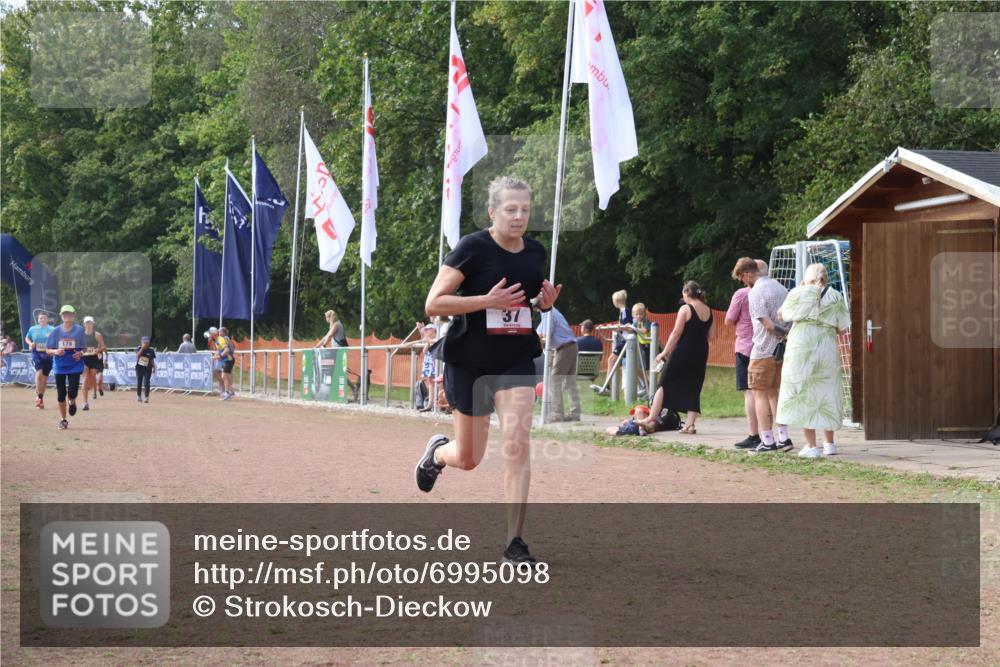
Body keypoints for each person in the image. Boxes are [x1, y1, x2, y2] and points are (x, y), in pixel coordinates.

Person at [414, 175, 561, 566]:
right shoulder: (472, 248)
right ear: (492, 212)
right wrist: (485, 300)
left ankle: (515, 542)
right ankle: (437, 454)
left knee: (517, 444)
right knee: (469, 457)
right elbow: (434, 303)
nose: (518, 217)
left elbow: (524, 302)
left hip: (515, 358)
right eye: (510, 210)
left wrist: (542, 305)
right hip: (471, 361)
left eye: (525, 210)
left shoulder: (535, 252)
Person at [776, 263, 851, 458]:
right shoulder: (835, 295)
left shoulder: (797, 292)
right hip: (826, 346)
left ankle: (811, 445)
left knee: (804, 391)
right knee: (826, 391)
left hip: (801, 346)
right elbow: (843, 327)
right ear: (826, 278)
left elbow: (782, 315)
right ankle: (830, 444)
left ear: (806, 278)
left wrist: (800, 289)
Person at [649, 281, 714, 434]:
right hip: (701, 352)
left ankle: (651, 417)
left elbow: (676, 333)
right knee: (694, 386)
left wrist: (664, 352)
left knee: (664, 382)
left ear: (686, 292)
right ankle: (690, 425)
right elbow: (712, 336)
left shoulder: (685, 308)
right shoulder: (709, 310)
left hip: (683, 351)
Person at [747, 259, 793, 453]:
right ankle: (784, 437)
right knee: (776, 394)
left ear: (752, 272)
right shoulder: (782, 289)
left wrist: (780, 333)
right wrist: (786, 337)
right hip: (782, 351)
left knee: (759, 394)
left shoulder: (755, 292)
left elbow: (767, 325)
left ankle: (767, 440)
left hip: (763, 350)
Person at [726, 257, 760, 449]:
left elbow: (729, 319)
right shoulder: (773, 290)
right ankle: (769, 434)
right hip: (766, 346)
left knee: (749, 392)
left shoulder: (741, 295)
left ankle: (753, 433)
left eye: (741, 277)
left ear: (746, 273)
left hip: (745, 346)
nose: (741, 281)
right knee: (767, 393)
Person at [45, 305, 86, 430]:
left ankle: (72, 402)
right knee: (61, 394)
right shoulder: (56, 331)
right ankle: (63, 420)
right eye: (64, 314)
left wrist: (81, 353)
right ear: (61, 316)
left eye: (69, 314)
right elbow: (47, 350)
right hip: (60, 366)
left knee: (72, 392)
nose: (67, 316)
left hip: (75, 365)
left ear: (73, 316)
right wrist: (56, 351)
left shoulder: (79, 330)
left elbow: (85, 347)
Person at [537, 306, 581, 422]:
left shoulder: (548, 313)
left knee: (554, 381)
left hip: (564, 348)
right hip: (570, 346)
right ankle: (575, 413)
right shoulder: (550, 312)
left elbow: (545, 334)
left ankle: (557, 414)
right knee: (570, 382)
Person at [24, 312, 55, 409]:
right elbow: (27, 338)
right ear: (38, 320)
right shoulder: (33, 329)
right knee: (39, 372)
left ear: (47, 319)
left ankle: (41, 398)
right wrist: (30, 343)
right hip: (36, 353)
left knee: (45, 379)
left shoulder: (52, 329)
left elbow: (57, 340)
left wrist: (54, 348)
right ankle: (38, 397)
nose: (42, 320)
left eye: (44, 318)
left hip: (48, 354)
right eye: (40, 318)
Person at [80, 316, 106, 411]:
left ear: (93, 324)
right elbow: (78, 346)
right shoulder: (81, 335)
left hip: (94, 359)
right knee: (85, 379)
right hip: (84, 359)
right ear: (84, 324)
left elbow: (103, 347)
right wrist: (81, 351)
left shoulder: (97, 335)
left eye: (90, 323)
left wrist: (97, 350)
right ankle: (85, 402)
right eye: (87, 323)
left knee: (91, 381)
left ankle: (93, 390)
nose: (88, 324)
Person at [216, 326, 235, 400]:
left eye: (220, 332)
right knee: (227, 376)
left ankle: (228, 392)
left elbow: (226, 349)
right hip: (228, 359)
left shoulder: (224, 338)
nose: (219, 333)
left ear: (223, 332)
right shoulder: (225, 338)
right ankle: (231, 391)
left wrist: (220, 355)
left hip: (228, 359)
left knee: (224, 376)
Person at [135, 336, 156, 403]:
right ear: (141, 342)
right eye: (144, 342)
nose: (145, 343)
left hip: (148, 368)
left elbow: (152, 360)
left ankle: (146, 397)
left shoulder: (151, 350)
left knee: (147, 382)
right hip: (139, 368)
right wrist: (142, 349)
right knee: (139, 382)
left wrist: (154, 367)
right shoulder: (139, 348)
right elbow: (138, 355)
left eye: (146, 342)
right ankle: (139, 396)